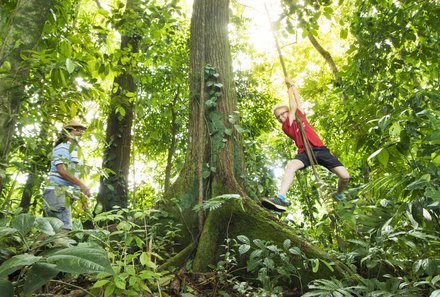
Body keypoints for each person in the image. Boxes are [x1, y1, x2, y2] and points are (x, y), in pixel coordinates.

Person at [263, 78, 350, 212]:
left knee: (345, 177)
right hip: (305, 153)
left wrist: (293, 87)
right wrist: (290, 86)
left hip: (321, 150)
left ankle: (338, 194)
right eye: (278, 117)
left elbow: (297, 103)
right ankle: (281, 197)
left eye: (282, 114)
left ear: (287, 112)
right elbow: (293, 106)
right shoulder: (287, 126)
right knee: (291, 166)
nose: (280, 118)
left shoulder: (301, 116)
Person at [43, 119, 91, 230]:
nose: (82, 134)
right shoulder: (62, 147)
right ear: (72, 131)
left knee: (50, 230)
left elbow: (74, 176)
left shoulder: (75, 150)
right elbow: (62, 170)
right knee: (63, 229)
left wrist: (82, 195)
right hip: (57, 192)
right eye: (80, 131)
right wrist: (82, 185)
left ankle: (33, 248)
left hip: (65, 194)